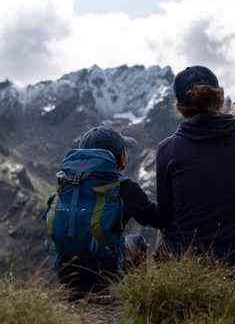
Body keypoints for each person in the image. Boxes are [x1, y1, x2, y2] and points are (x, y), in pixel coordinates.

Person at [156, 65, 235, 276]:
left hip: (187, 261)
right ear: (220, 98)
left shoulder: (167, 149)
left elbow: (165, 217)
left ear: (180, 108)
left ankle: (166, 275)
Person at [54, 126, 159, 295]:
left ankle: (79, 290)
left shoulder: (68, 184)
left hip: (66, 275)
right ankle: (137, 295)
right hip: (105, 274)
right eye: (124, 151)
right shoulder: (125, 188)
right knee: (137, 241)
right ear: (122, 158)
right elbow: (157, 219)